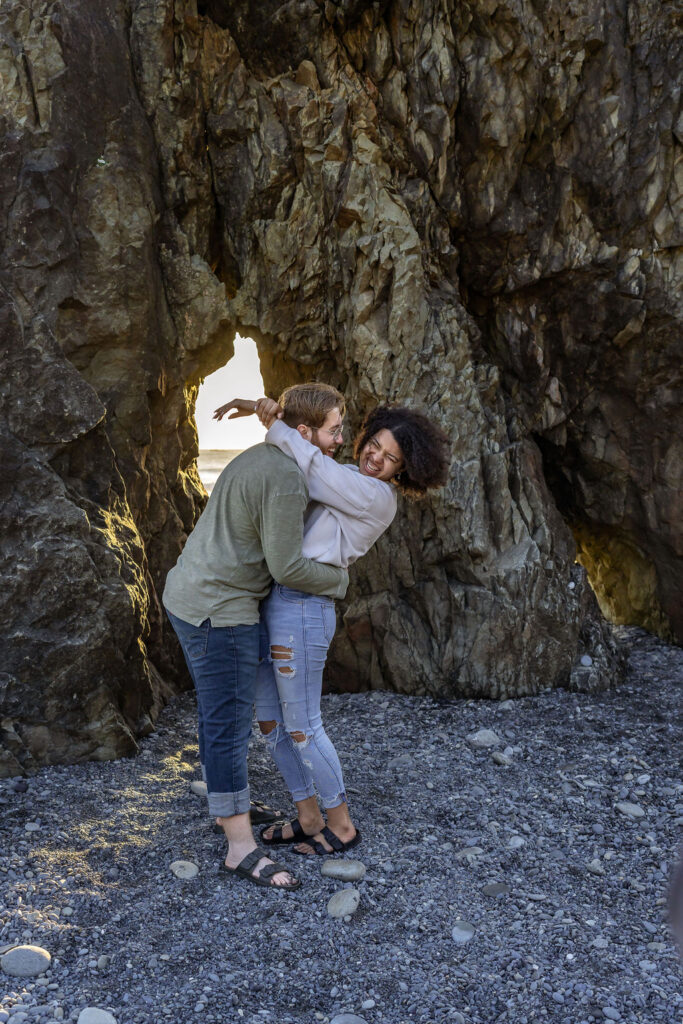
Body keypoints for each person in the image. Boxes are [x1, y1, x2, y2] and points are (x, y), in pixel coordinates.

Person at [214, 394, 450, 856]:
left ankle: (342, 826)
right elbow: (311, 446)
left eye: (390, 459)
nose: (375, 458)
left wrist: (275, 422)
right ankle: (307, 816)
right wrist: (276, 411)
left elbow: (311, 466)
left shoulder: (376, 496)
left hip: (303, 607)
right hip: (275, 599)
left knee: (303, 726)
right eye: (375, 445)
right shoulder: (349, 476)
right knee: (271, 724)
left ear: (403, 470)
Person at [163, 383, 350, 889]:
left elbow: (277, 421)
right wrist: (340, 580)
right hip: (218, 612)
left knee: (214, 713)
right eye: (334, 431)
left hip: (188, 593)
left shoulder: (261, 453)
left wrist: (261, 408)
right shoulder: (287, 476)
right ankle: (240, 847)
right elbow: (287, 567)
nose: (340, 441)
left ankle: (229, 810)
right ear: (305, 432)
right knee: (227, 723)